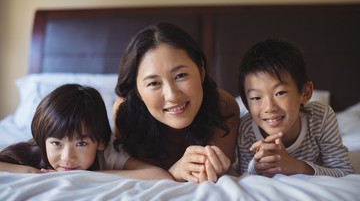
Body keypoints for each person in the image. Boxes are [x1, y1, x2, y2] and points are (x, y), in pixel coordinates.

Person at [113, 22, 240, 183]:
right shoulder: (126, 113)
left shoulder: (223, 106)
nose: (172, 96)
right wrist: (173, 172)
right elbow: (131, 172)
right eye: (154, 83)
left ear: (201, 72)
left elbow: (209, 172)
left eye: (181, 75)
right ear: (138, 92)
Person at [0, 84, 173, 180]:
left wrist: (92, 175)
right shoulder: (36, 151)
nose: (67, 157)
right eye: (56, 143)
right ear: (42, 140)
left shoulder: (109, 152)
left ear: (100, 142)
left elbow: (160, 175)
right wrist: (32, 172)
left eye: (81, 143)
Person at [235, 39, 354, 177]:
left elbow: (345, 173)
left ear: (305, 93)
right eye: (256, 98)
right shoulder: (245, 129)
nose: (269, 107)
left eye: (280, 93)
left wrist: (297, 166)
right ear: (246, 103)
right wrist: (257, 168)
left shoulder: (321, 118)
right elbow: (244, 179)